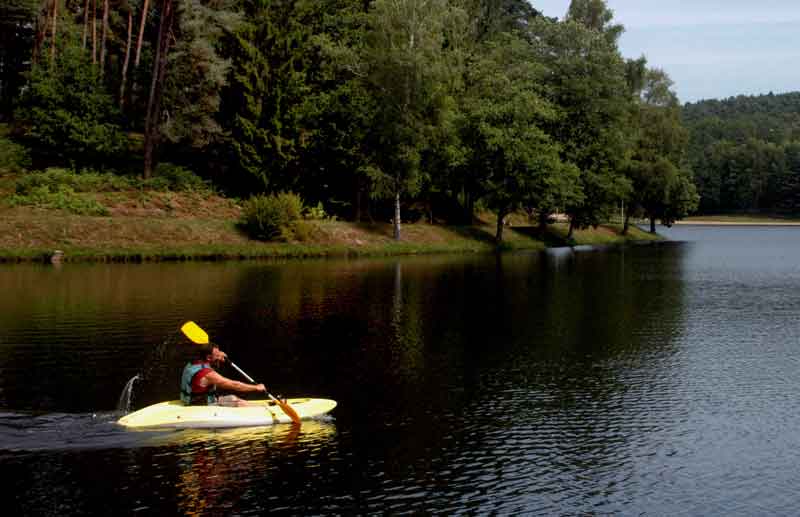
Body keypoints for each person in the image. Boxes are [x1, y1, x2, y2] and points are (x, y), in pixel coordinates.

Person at [180, 343, 265, 407]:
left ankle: (259, 407)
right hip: (201, 405)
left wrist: (217, 356)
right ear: (209, 357)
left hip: (189, 400)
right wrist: (256, 387)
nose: (220, 355)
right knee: (238, 403)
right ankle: (261, 412)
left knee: (232, 398)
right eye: (217, 355)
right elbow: (235, 385)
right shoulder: (208, 375)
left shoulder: (192, 363)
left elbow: (209, 360)